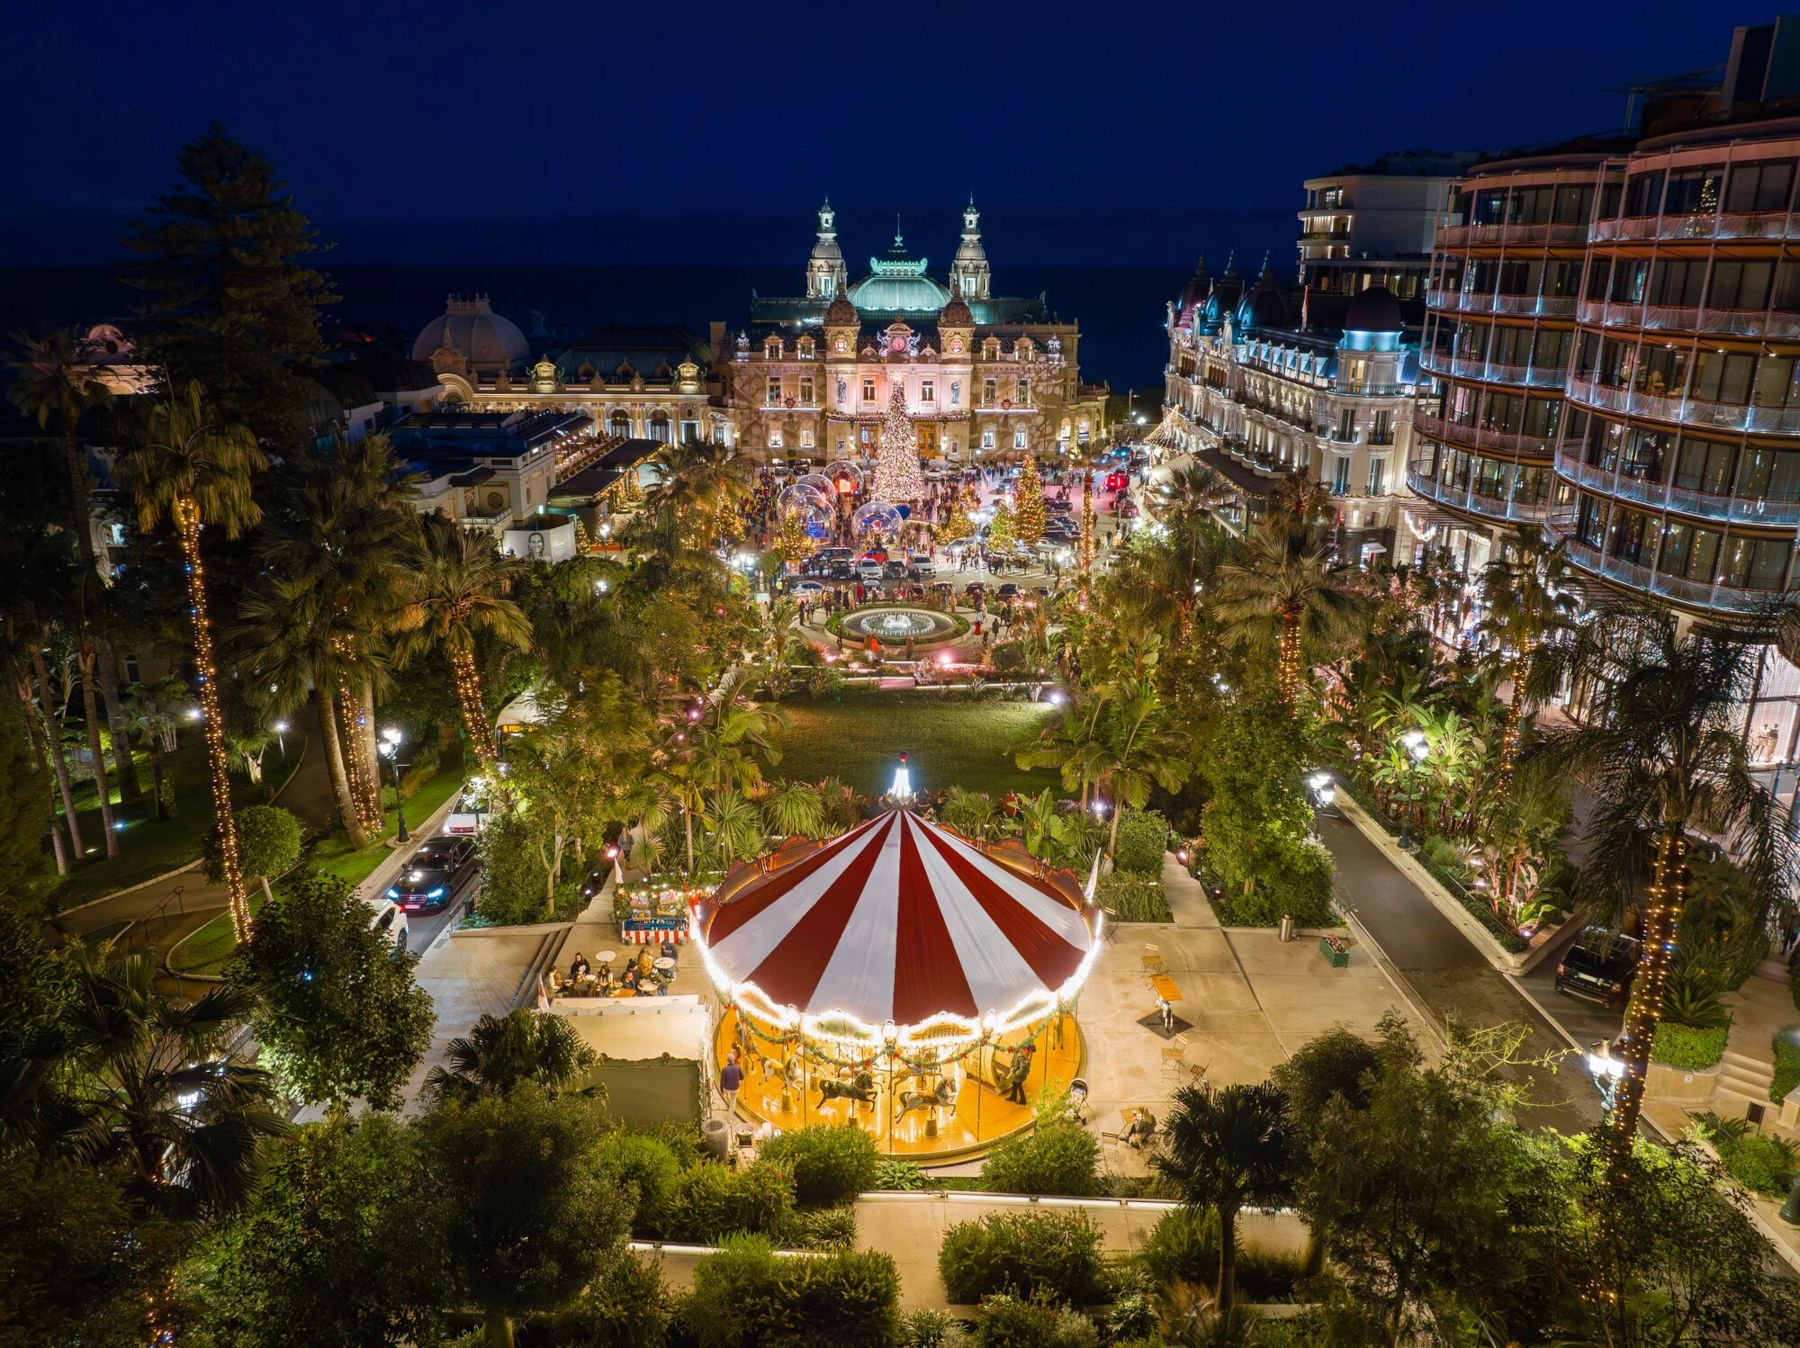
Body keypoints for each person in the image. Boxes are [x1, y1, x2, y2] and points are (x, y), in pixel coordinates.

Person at [720, 1052, 743, 1117]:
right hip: (735, 1088)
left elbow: (722, 1081)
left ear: (727, 1060)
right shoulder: (738, 1067)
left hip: (727, 1088)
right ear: (734, 1060)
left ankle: (731, 1109)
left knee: (729, 1099)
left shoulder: (724, 1069)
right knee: (733, 1101)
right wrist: (739, 1080)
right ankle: (730, 1115)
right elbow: (742, 1077)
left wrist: (722, 1090)